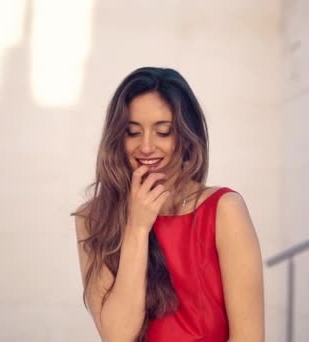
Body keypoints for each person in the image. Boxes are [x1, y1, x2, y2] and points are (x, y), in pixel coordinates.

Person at [72, 67, 264, 342]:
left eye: (163, 132)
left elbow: (249, 337)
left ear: (186, 137)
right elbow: (117, 336)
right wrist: (137, 227)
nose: (146, 147)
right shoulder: (92, 217)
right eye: (132, 132)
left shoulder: (224, 211)